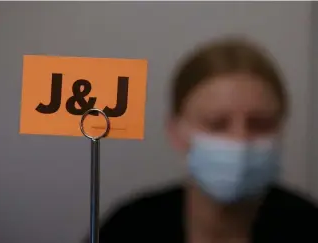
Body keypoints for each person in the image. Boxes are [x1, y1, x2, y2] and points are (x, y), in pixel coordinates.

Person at [84, 36, 318, 243]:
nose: (240, 140)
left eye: (260, 124)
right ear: (175, 132)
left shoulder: (310, 227)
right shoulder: (128, 227)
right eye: (216, 124)